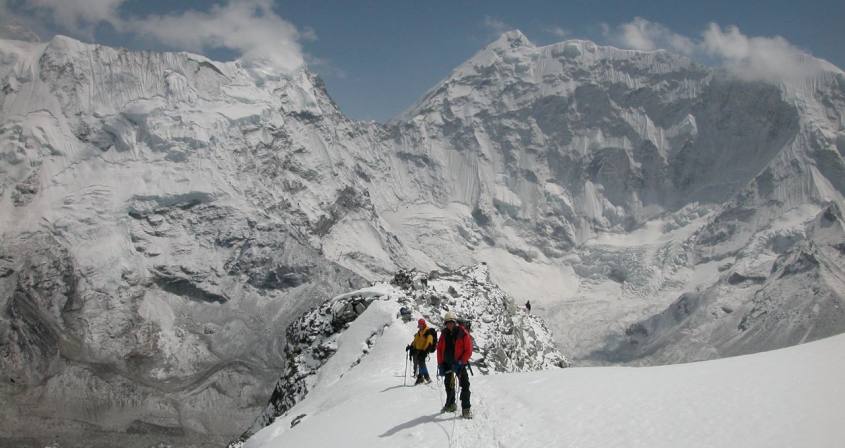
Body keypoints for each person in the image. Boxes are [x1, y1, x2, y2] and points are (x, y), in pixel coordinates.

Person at [437, 311, 473, 418]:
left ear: (455, 322)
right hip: (447, 363)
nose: (449, 324)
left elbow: (468, 350)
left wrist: (461, 361)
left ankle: (466, 408)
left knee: (465, 384)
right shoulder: (444, 334)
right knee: (448, 384)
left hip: (459, 363)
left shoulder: (462, 333)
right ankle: (451, 404)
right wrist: (440, 364)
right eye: (447, 323)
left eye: (451, 322)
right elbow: (439, 349)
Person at [406, 318, 435, 385]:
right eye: (419, 325)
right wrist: (410, 346)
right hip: (419, 350)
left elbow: (429, 342)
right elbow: (415, 341)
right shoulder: (419, 332)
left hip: (423, 351)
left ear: (423, 324)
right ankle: (421, 378)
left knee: (422, 364)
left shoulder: (428, 331)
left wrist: (425, 351)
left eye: (421, 325)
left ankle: (426, 378)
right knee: (421, 364)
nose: (420, 326)